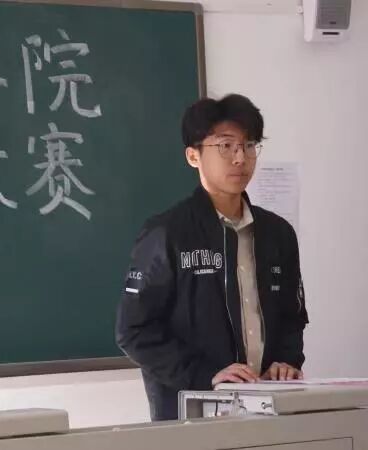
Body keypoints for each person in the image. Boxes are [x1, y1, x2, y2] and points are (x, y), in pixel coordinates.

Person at [115, 94, 309, 421]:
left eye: (249, 145)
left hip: (268, 413)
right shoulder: (167, 233)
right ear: (193, 156)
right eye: (225, 146)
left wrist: (287, 362)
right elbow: (134, 331)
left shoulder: (278, 234)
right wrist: (206, 376)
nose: (240, 157)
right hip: (191, 417)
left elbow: (293, 317)